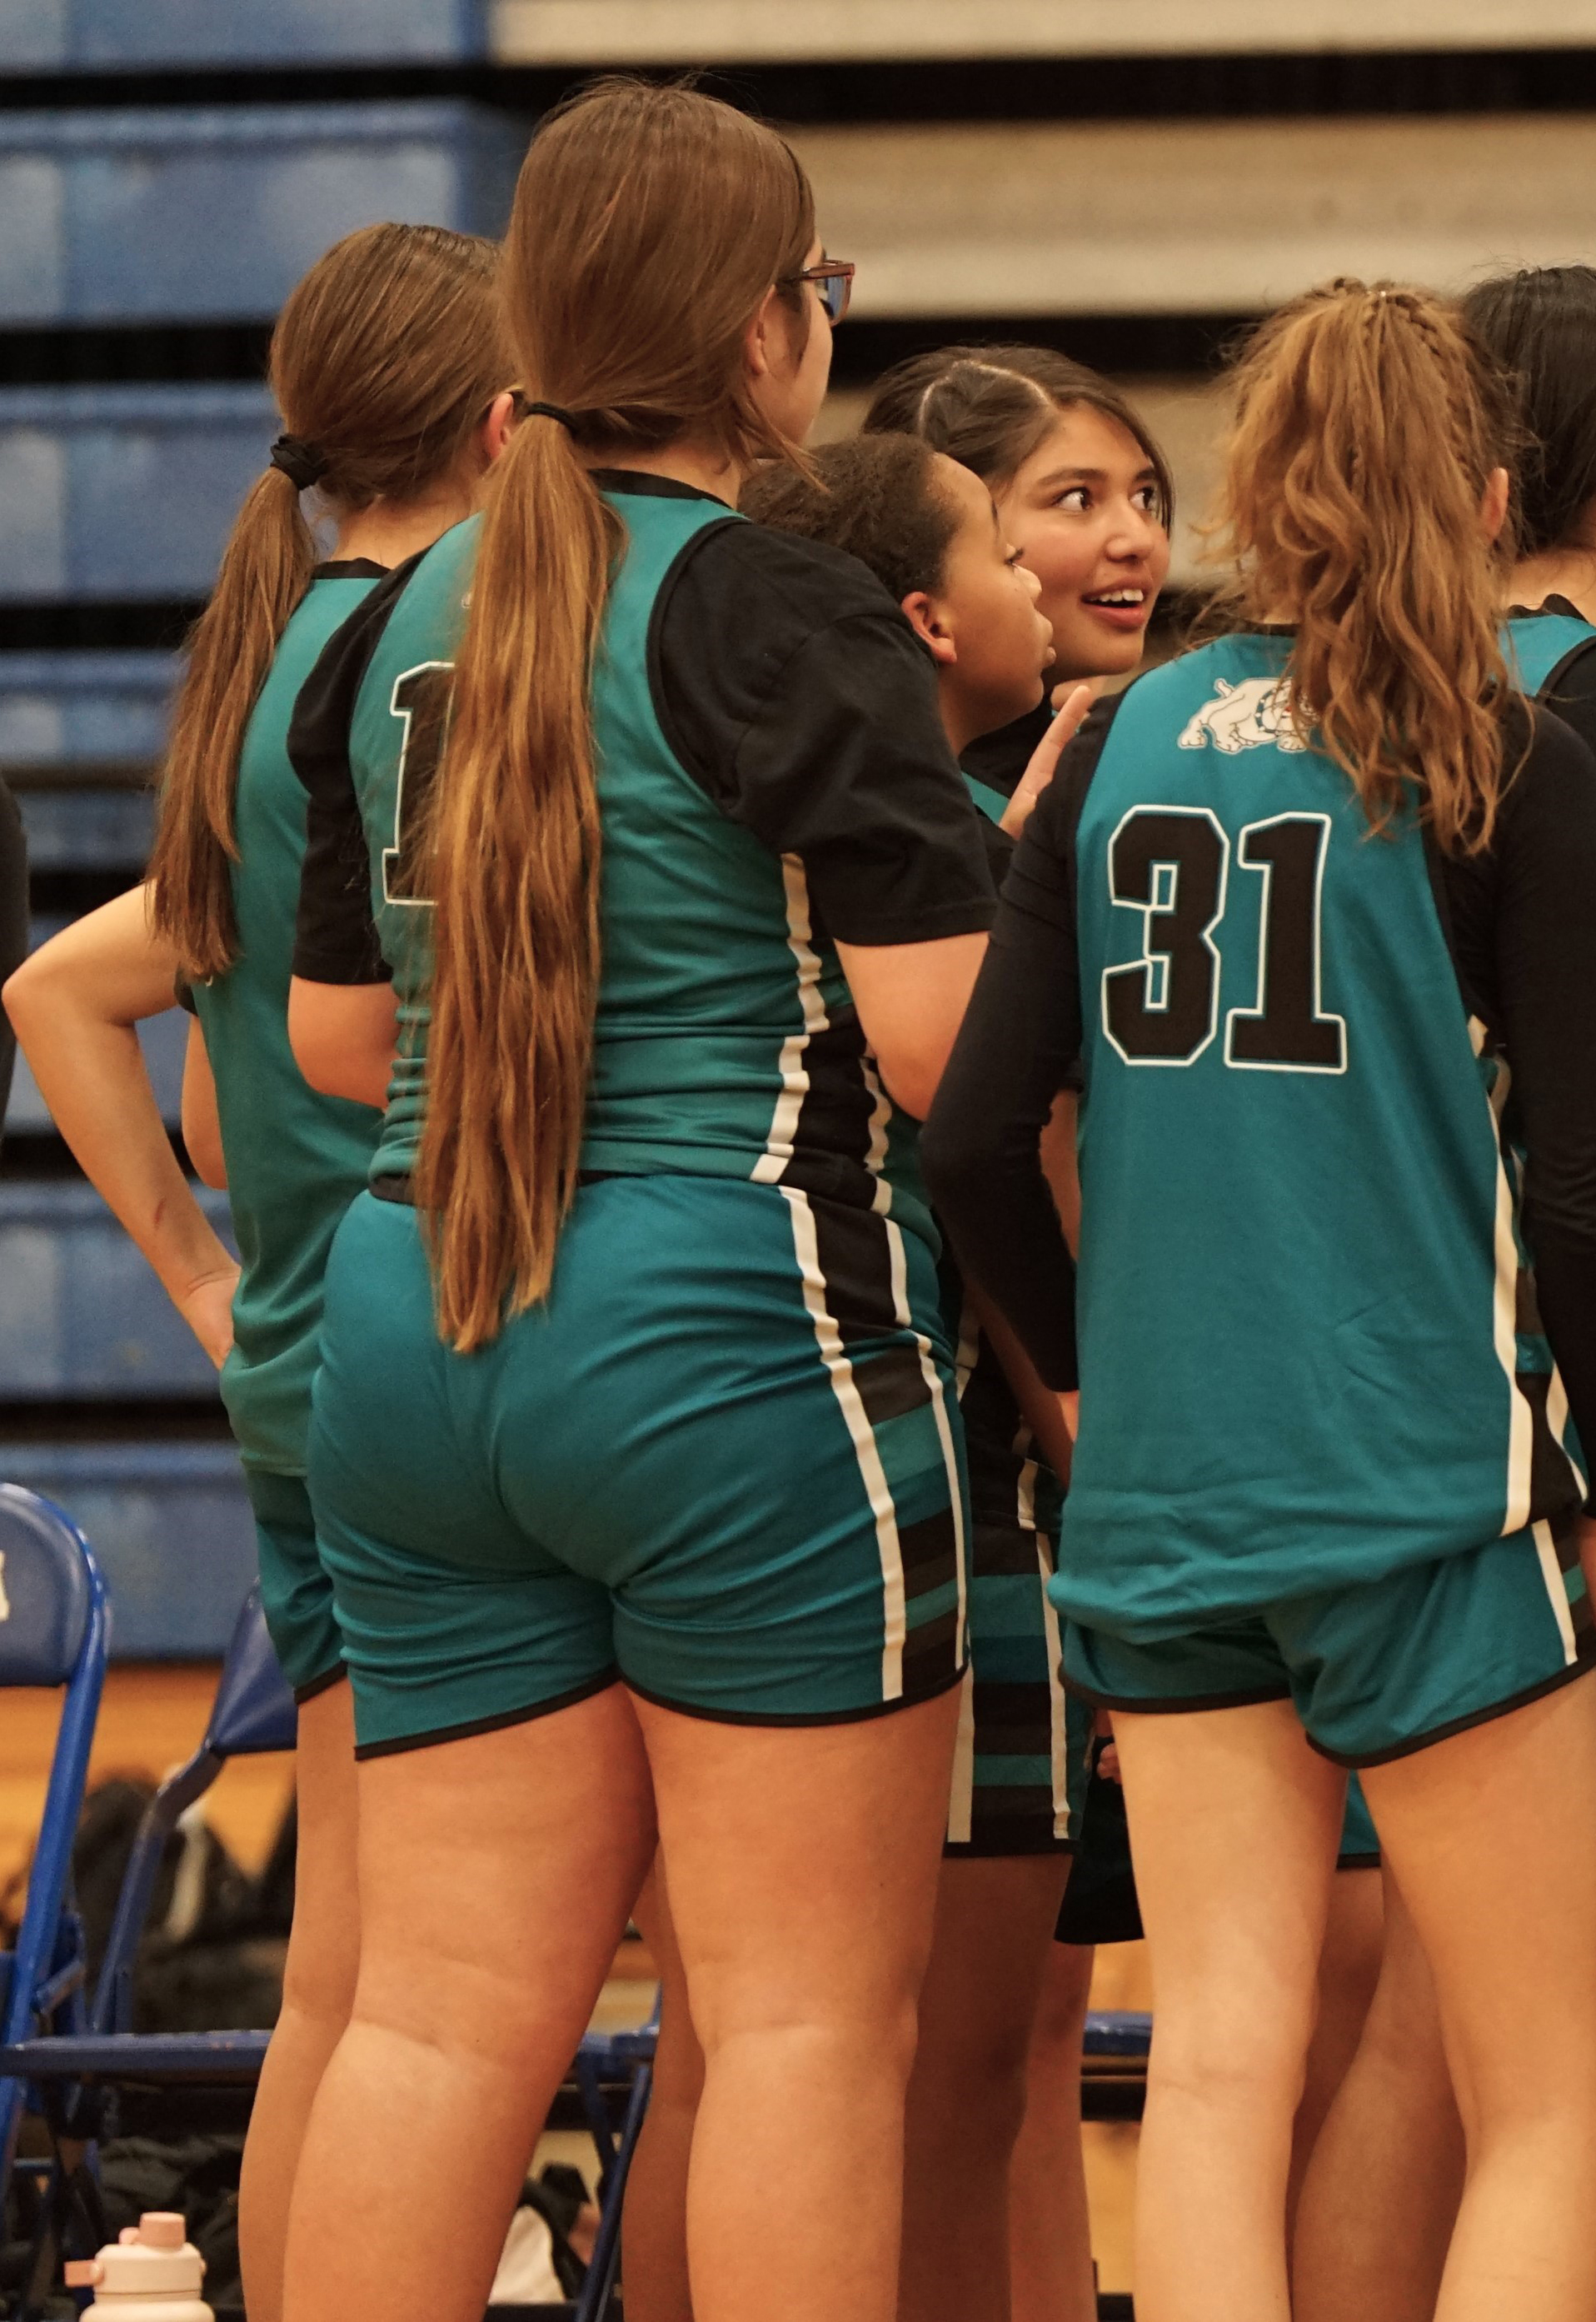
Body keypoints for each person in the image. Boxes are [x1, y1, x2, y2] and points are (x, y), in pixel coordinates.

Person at [275, 82, 1002, 2322]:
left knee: (434, 2013)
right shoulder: (777, 604)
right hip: (727, 1327)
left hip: (417, 1317)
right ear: (768, 334)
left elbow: (331, 1051)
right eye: (821, 290)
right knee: (796, 2021)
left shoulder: (404, 613)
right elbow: (934, 1050)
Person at [922, 277, 1596, 2322]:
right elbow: (1586, 1183)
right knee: (1542, 2099)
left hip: (1168, 1503)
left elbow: (976, 1142)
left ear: (1260, 486)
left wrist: (1097, 1382)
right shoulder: (1507, 746)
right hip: (1423, 1479)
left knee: (1220, 2065)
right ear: (1488, 490)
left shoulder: (1119, 734)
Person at [2, 219, 501, 2321]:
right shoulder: (433, 665)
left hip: (309, 1354)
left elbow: (59, 986)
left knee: (346, 1979)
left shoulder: (272, 660)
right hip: (436, 1356)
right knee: (422, 1998)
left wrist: (213, 1281)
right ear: (507, 423)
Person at [543, 431, 1085, 2322]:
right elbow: (966, 1118)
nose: (1062, 566)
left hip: (506, 1363)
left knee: (705, 2036)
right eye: (1023, 533)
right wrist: (1089, 1408)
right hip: (869, 1429)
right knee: (872, 2050)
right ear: (921, 621)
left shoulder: (502, 651)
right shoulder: (893, 842)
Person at [1287, 261, 1596, 2322]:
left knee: (1398, 2024)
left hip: (1333, 1385)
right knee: (1570, 2049)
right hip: (1577, 1406)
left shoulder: (1340, 685)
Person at [857, 341, 1175, 2321]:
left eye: (1143, 490)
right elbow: (1003, 1171)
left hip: (1023, 1481)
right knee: (947, 2073)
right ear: (937, 569)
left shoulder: (1094, 774)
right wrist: (1117, 1480)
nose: (1130, 534)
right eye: (1063, 502)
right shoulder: (954, 815)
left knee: (1026, 2071)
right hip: (984, 1480)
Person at [860, 342, 1173, 786]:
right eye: (1077, 498)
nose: (1140, 540)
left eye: (1145, 497)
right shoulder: (862, 802)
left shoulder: (1115, 772)